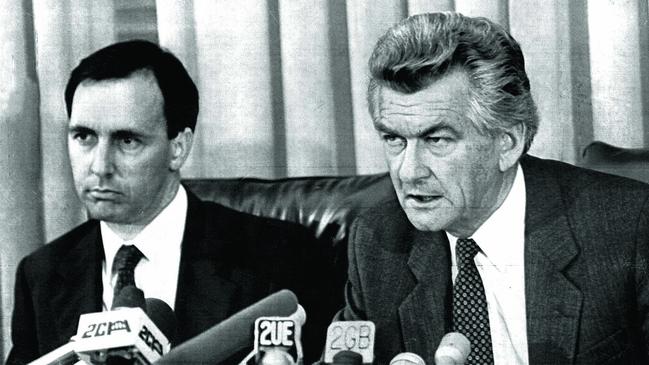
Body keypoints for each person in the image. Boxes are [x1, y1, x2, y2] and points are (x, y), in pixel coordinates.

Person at [336, 12, 649, 364]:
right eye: (393, 139)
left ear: (507, 142)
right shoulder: (378, 243)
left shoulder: (630, 227)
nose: (408, 172)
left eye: (436, 139)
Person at [7, 40, 336, 364]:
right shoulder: (41, 276)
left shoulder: (279, 255)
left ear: (178, 147)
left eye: (127, 140)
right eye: (84, 137)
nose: (99, 166)